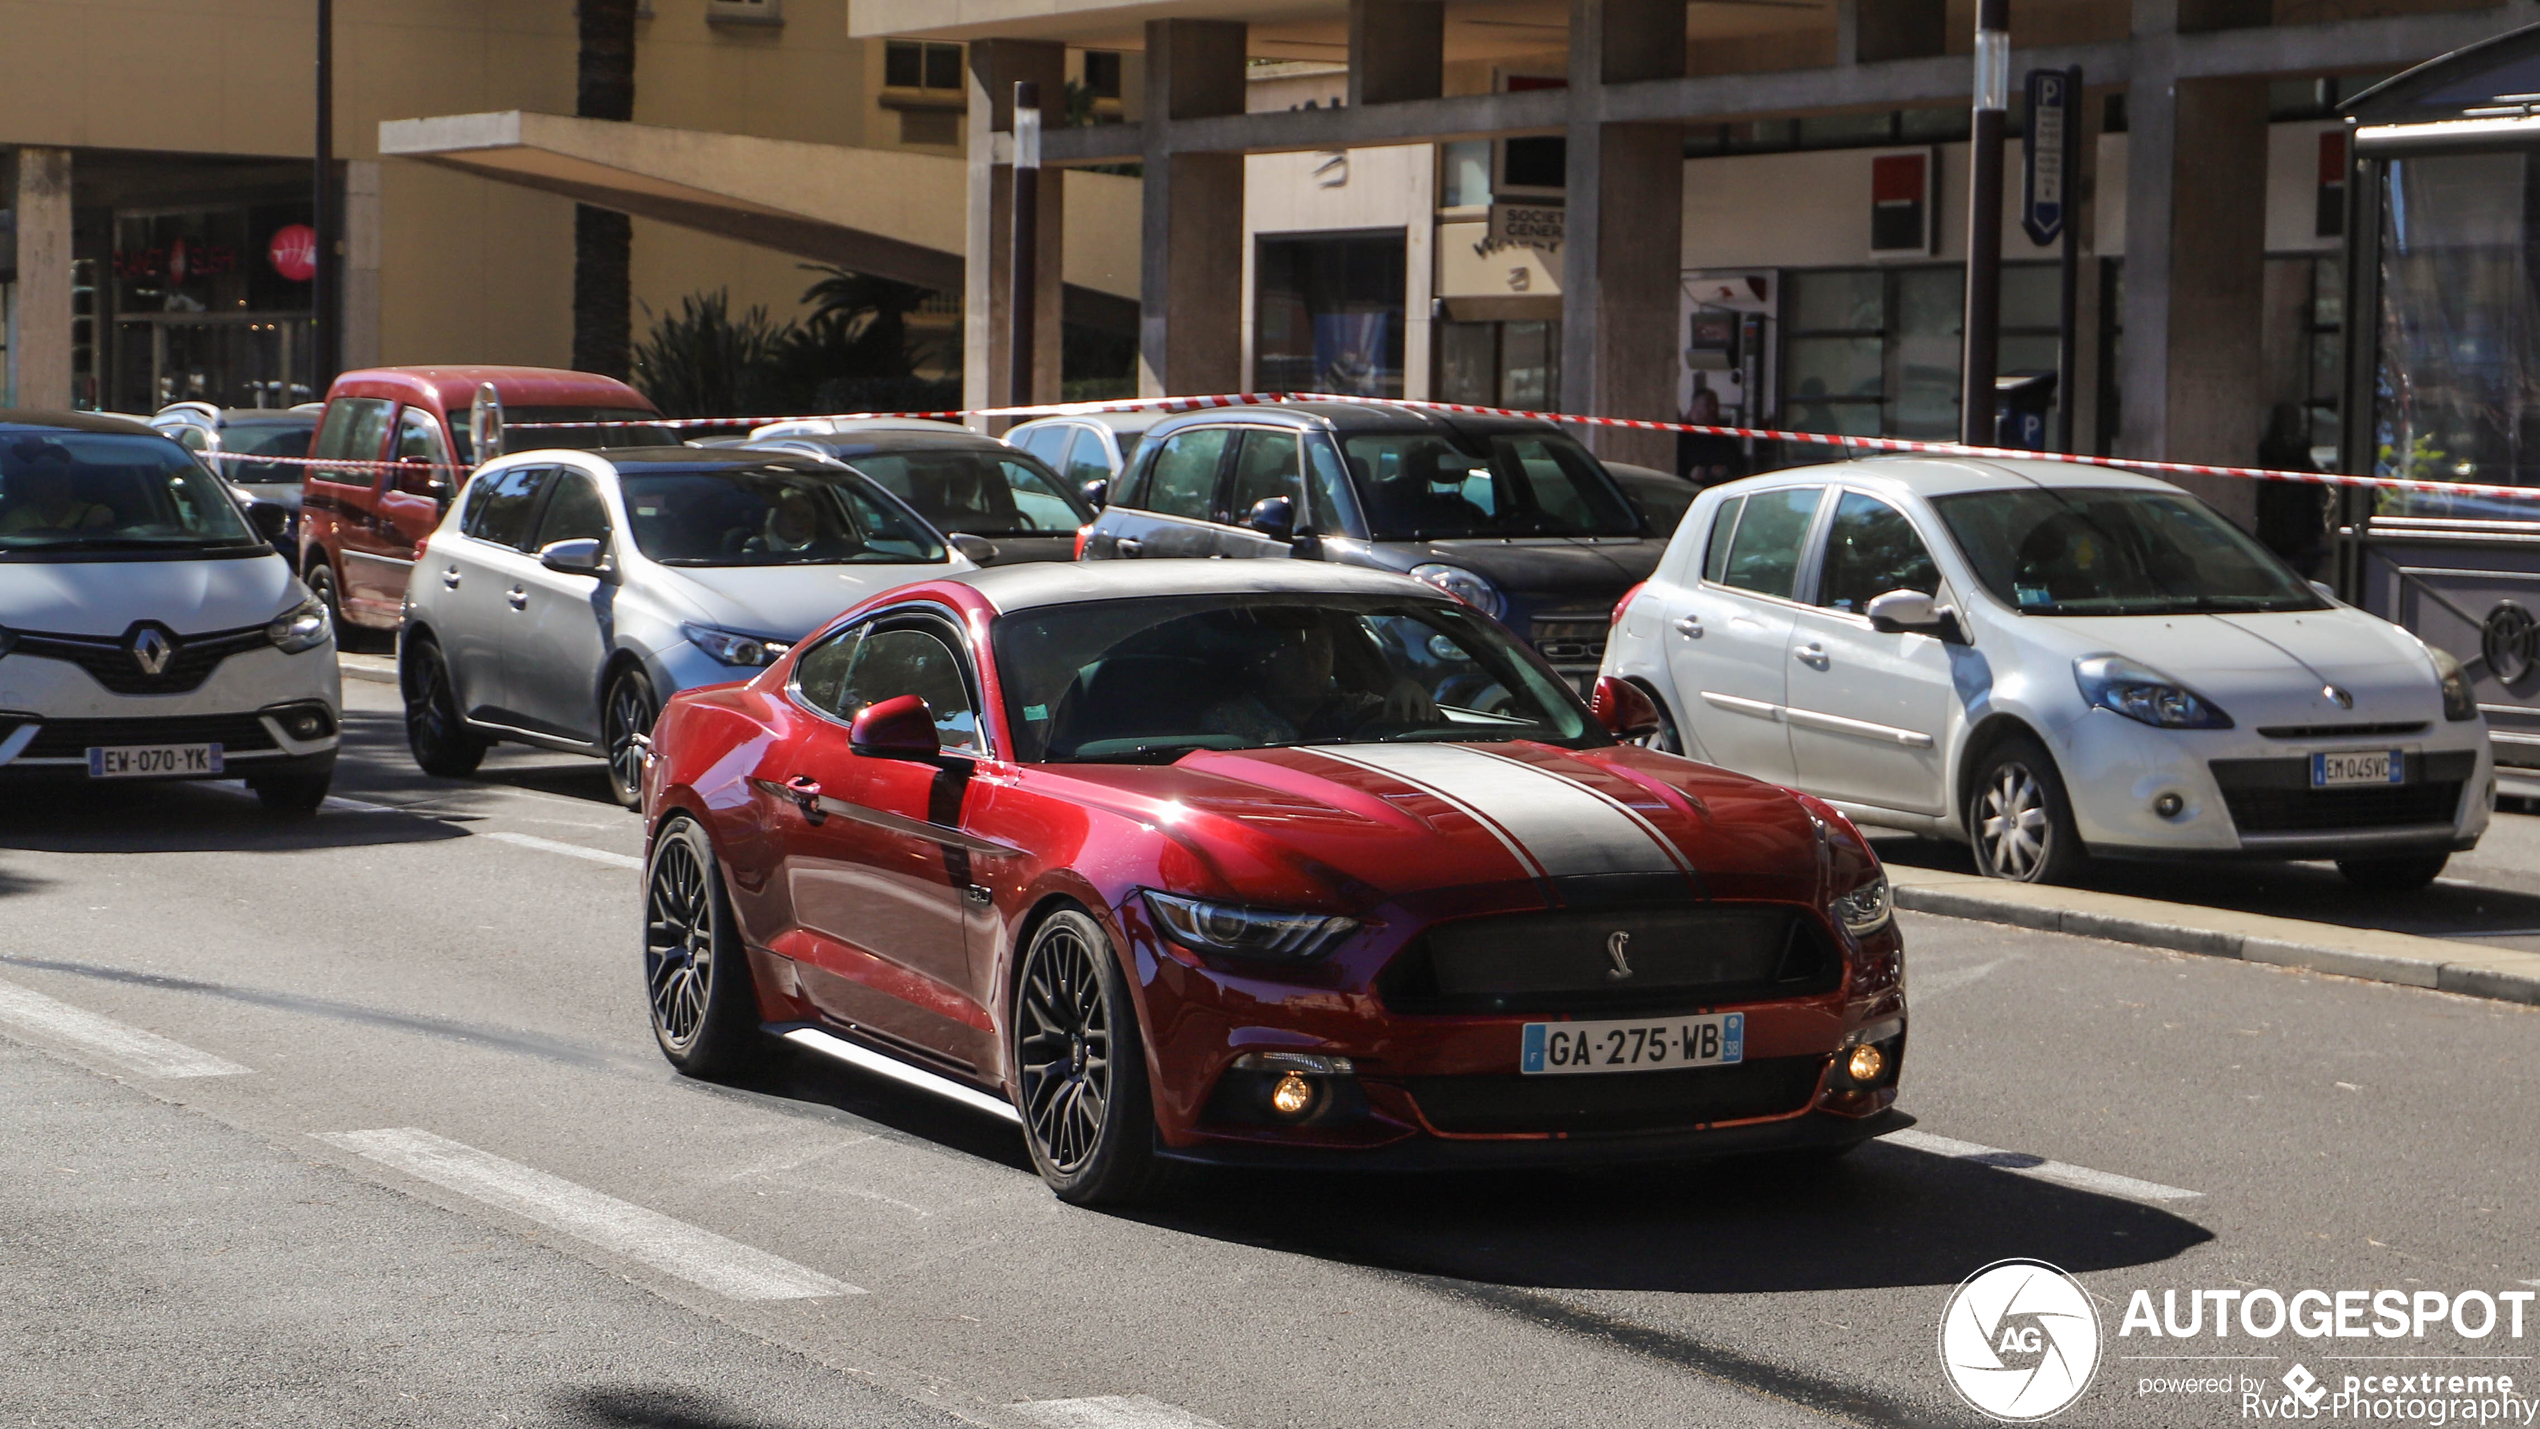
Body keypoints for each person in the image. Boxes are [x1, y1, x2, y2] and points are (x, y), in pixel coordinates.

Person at [1201, 616, 1438, 745]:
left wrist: (1407, 695)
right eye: (1294, 652)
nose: (1309, 663)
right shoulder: (1230, 723)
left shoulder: (1356, 706)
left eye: (1321, 651)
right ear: (1265, 662)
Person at [2255, 402, 2328, 578]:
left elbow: (2314, 479)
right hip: (2276, 524)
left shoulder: (2303, 449)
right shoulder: (2269, 449)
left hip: (2302, 525)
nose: (2294, 426)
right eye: (2289, 421)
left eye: (2297, 421)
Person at [0, 461, 116, 535]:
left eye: (62, 479)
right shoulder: (15, 520)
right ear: (31, 489)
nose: (58, 485)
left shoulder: (95, 513)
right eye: (48, 481)